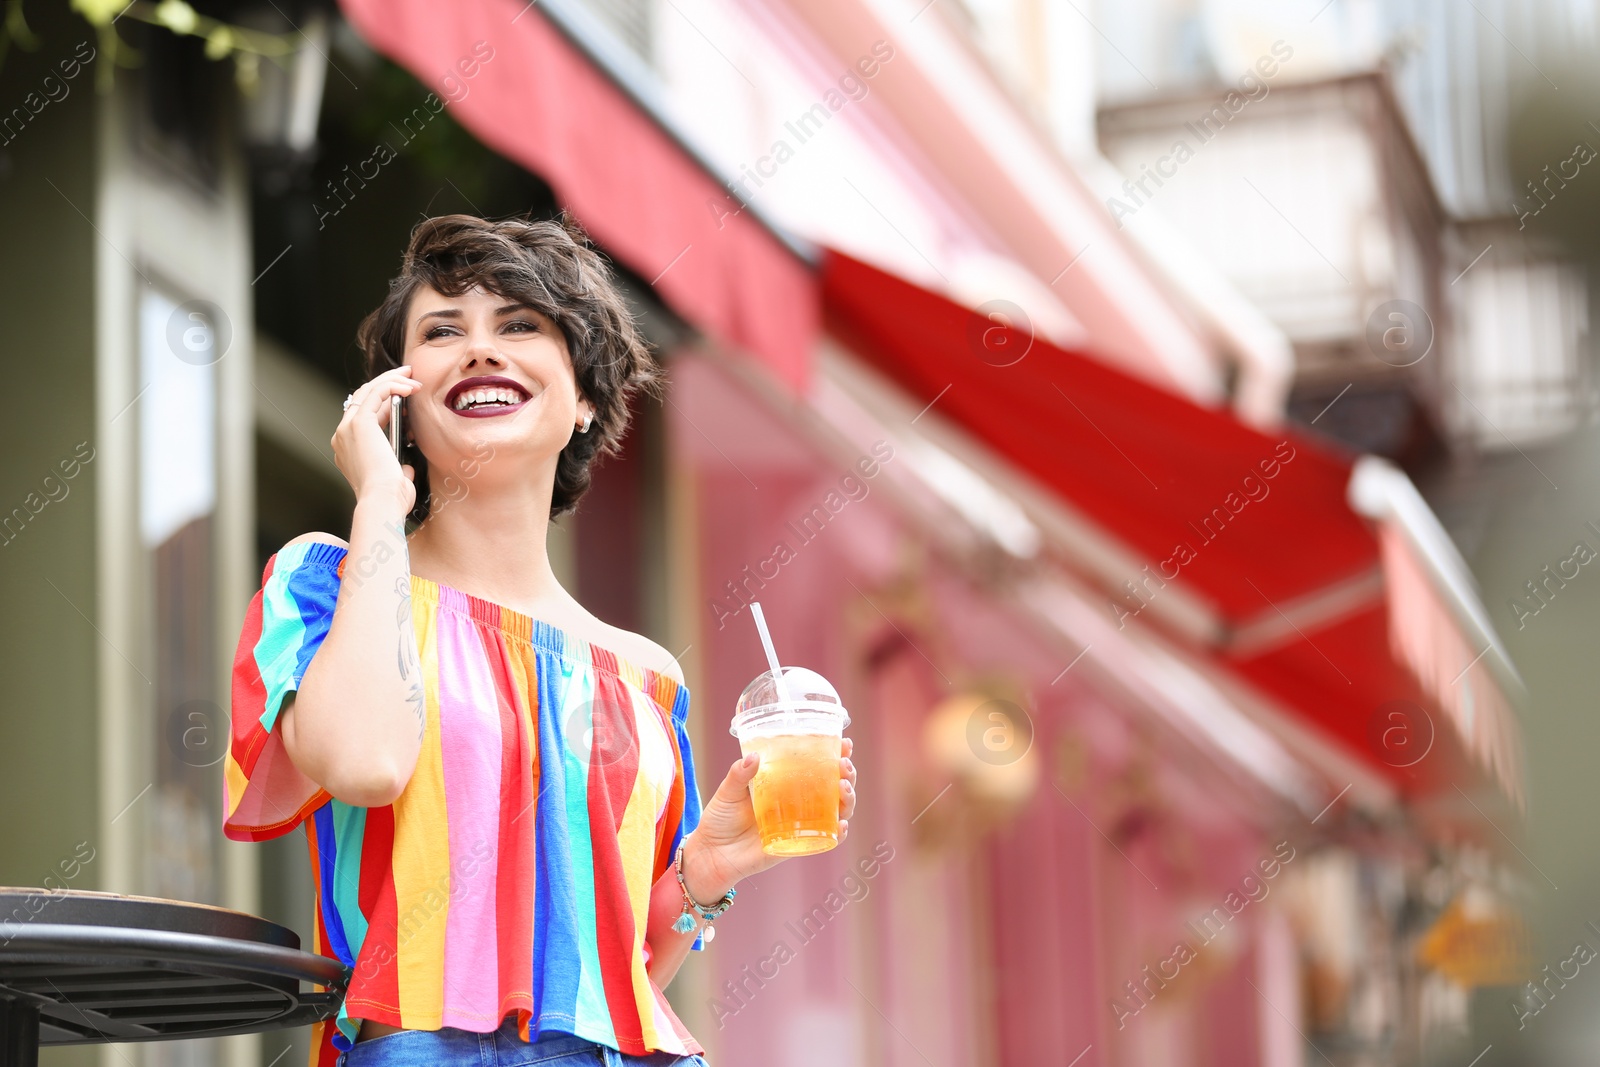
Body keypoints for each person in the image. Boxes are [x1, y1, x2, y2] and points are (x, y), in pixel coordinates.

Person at [222, 214, 858, 1067]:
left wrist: (708, 866)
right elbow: (367, 760)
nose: (480, 349)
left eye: (519, 325)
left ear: (585, 395)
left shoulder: (646, 676)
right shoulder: (328, 585)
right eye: (443, 332)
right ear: (400, 400)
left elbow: (616, 983)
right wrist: (378, 501)